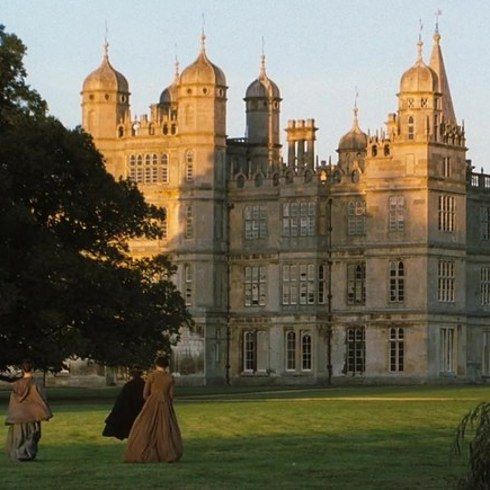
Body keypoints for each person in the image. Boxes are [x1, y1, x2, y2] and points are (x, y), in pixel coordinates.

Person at [124, 357, 183, 463]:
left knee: (145, 426)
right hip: (165, 405)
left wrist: (152, 400)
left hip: (151, 404)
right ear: (166, 366)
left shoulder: (151, 376)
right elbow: (171, 396)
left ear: (156, 365)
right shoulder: (170, 378)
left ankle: (144, 450)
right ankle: (166, 452)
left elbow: (145, 394)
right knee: (165, 428)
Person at [0, 360, 53, 462]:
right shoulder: (36, 384)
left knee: (19, 436)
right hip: (32, 415)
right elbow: (41, 399)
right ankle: (26, 454)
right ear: (32, 369)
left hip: (19, 415)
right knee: (32, 434)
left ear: (22, 370)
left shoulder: (16, 385)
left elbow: (14, 401)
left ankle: (19, 454)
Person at [102, 367, 145, 440]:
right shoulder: (144, 384)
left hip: (130, 409)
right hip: (140, 408)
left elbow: (121, 400)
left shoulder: (129, 385)